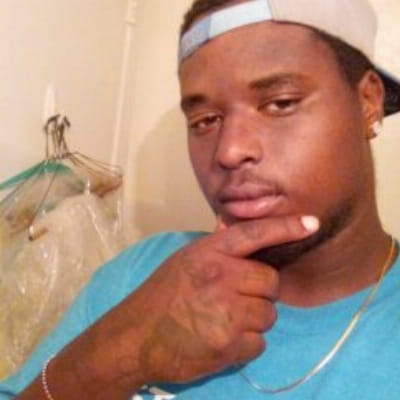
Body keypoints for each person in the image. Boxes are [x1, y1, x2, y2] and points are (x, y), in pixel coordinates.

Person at [1, 0, 400, 398]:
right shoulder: (141, 274)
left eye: (280, 103)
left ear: (368, 101)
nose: (229, 150)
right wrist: (121, 351)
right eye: (205, 121)